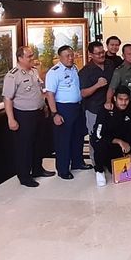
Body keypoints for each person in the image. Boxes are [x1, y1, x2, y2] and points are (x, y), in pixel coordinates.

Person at [2, 46, 55, 187]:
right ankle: (24, 176)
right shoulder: (13, 75)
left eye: (32, 55)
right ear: (20, 58)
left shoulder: (34, 71)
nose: (32, 58)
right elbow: (7, 98)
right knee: (24, 147)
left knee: (38, 143)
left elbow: (39, 91)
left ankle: (37, 169)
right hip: (23, 115)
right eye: (29, 56)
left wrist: (44, 106)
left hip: (38, 112)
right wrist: (10, 119)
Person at [46, 45, 91, 180]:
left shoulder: (75, 69)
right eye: (67, 56)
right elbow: (50, 94)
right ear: (60, 57)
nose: (71, 58)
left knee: (77, 137)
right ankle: (63, 169)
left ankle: (77, 162)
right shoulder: (54, 72)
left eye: (72, 55)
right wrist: (55, 113)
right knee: (63, 140)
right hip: (63, 108)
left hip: (77, 107)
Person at [91, 86, 131, 186]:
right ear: (114, 99)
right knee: (99, 143)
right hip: (107, 142)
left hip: (121, 146)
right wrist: (118, 141)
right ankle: (99, 171)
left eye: (126, 100)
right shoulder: (105, 110)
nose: (123, 102)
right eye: (120, 99)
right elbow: (98, 136)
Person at [79, 41, 115, 165]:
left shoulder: (110, 64)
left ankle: (108, 161)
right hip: (93, 108)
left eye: (102, 52)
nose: (101, 55)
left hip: (110, 107)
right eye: (98, 53)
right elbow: (83, 93)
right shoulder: (85, 71)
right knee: (95, 136)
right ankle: (96, 164)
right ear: (91, 55)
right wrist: (97, 85)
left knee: (109, 134)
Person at [106, 44, 131, 117]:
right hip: (127, 104)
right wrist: (108, 101)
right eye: (129, 54)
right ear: (123, 56)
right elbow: (112, 88)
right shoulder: (119, 71)